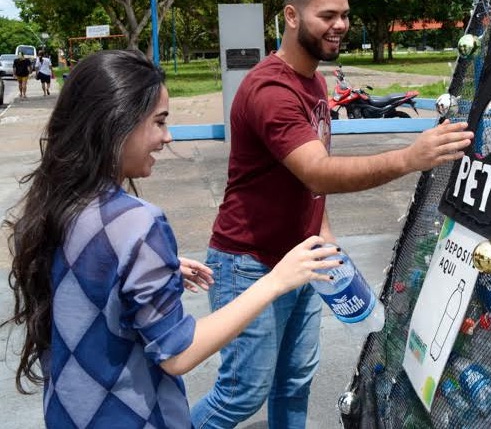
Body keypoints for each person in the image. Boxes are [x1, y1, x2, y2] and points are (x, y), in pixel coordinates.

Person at [191, 0, 474, 429]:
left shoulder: (314, 83)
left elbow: (304, 187)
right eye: (327, 15)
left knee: (295, 381)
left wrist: (325, 240)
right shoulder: (271, 89)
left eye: (344, 15)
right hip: (249, 263)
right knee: (240, 396)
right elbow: (318, 174)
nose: (340, 25)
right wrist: (409, 157)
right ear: (292, 16)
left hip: (303, 260)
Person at [1, 49, 342, 428]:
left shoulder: (58, 205)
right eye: (159, 122)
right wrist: (276, 281)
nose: (167, 137)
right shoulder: (137, 222)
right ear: (117, 122)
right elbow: (177, 353)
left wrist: (149, 270)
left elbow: (86, 277)